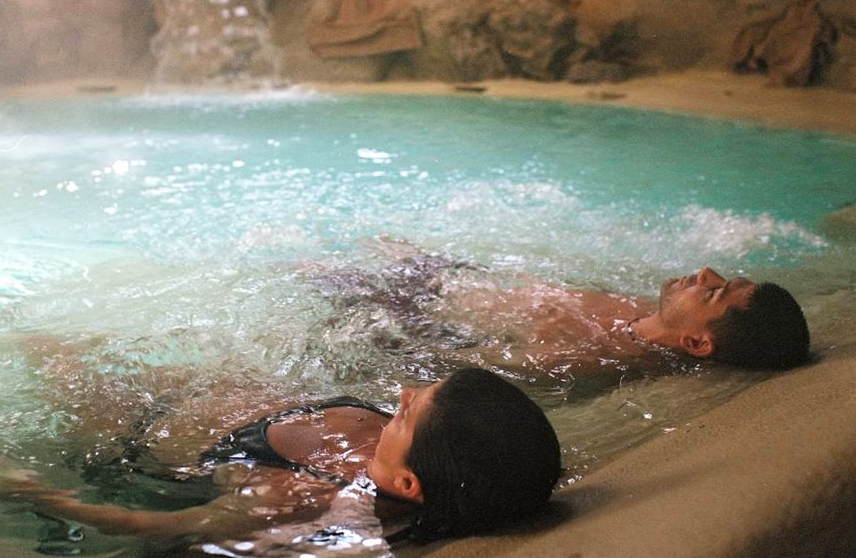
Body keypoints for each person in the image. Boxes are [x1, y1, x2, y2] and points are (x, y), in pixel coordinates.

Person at [0, 366, 561, 558]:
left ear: (407, 482)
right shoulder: (455, 449)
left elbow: (154, 527)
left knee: (36, 350)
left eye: (408, 411)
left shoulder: (303, 498)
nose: (403, 393)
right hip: (196, 385)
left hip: (129, 422)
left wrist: (35, 495)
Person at [305, 244, 810, 374]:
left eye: (713, 293)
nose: (705, 273)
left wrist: (395, 334)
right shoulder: (649, 312)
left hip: (415, 307)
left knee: (301, 266)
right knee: (380, 240)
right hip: (459, 279)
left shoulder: (590, 354)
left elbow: (464, 359)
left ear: (697, 342)